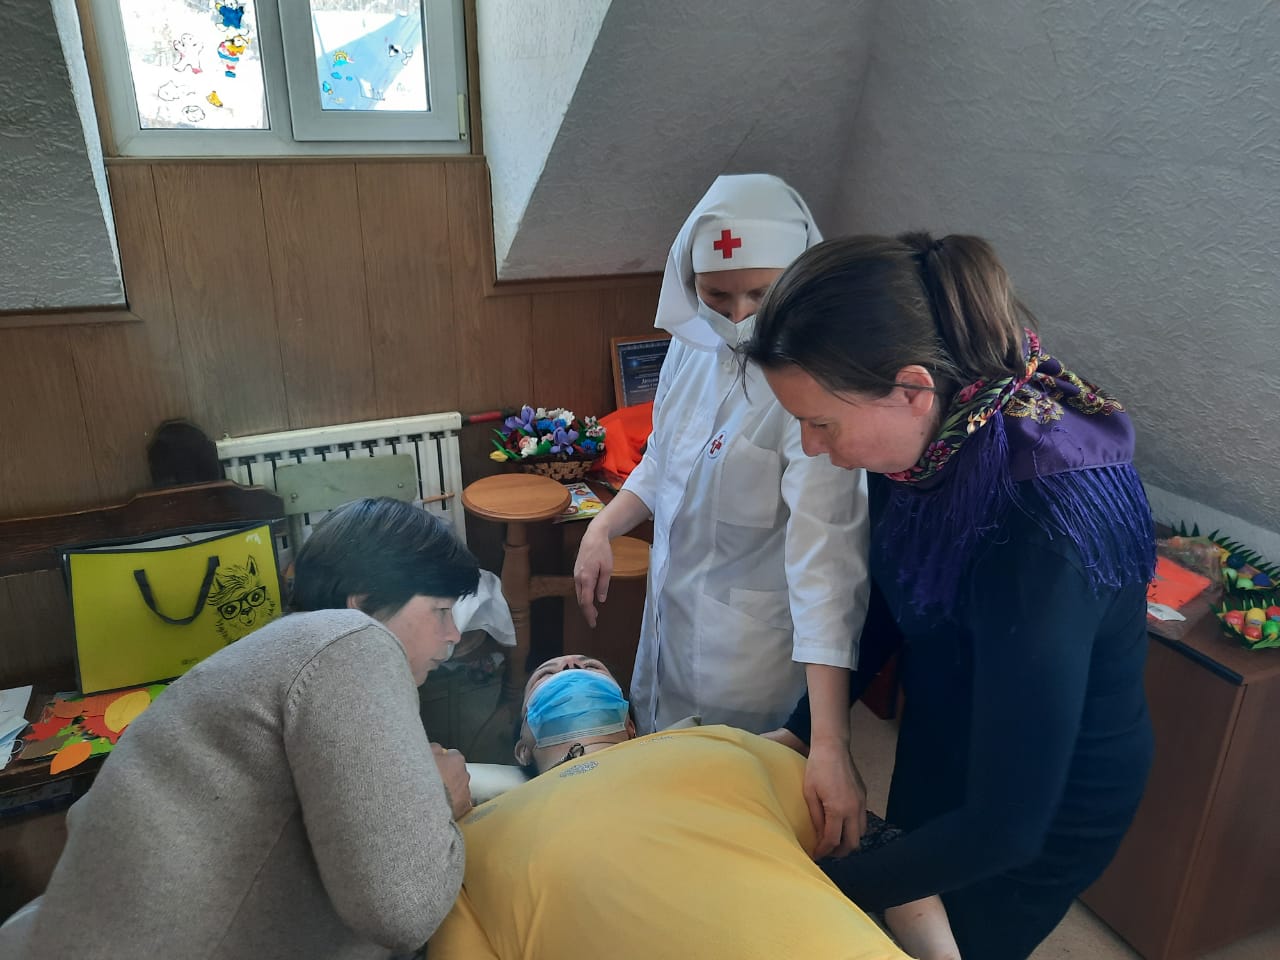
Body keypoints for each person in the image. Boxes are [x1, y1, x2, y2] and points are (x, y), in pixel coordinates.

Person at [743, 233, 1157, 960]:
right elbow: (893, 595)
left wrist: (811, 889)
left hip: (1045, 802)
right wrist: (809, 733)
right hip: (949, 720)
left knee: (959, 934)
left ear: (910, 390)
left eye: (821, 423)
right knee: (903, 895)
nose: (810, 446)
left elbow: (1004, 827)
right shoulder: (923, 444)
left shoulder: (1043, 526)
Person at [17, 498, 481, 960]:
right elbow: (403, 911)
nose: (454, 635)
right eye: (440, 610)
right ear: (363, 602)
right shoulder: (351, 639)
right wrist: (437, 798)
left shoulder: (272, 654)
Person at [573, 173, 871, 857]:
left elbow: (827, 571)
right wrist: (604, 524)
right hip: (670, 622)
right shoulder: (692, 346)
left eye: (761, 295)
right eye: (716, 297)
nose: (738, 318)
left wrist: (829, 740)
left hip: (750, 655)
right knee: (661, 798)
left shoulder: (815, 386)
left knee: (732, 822)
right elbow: (663, 460)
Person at [427, 655, 960, 960]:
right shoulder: (469, 842)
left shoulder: (719, 744)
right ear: (522, 747)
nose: (570, 663)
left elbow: (877, 844)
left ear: (630, 722)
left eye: (588, 666)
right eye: (548, 676)